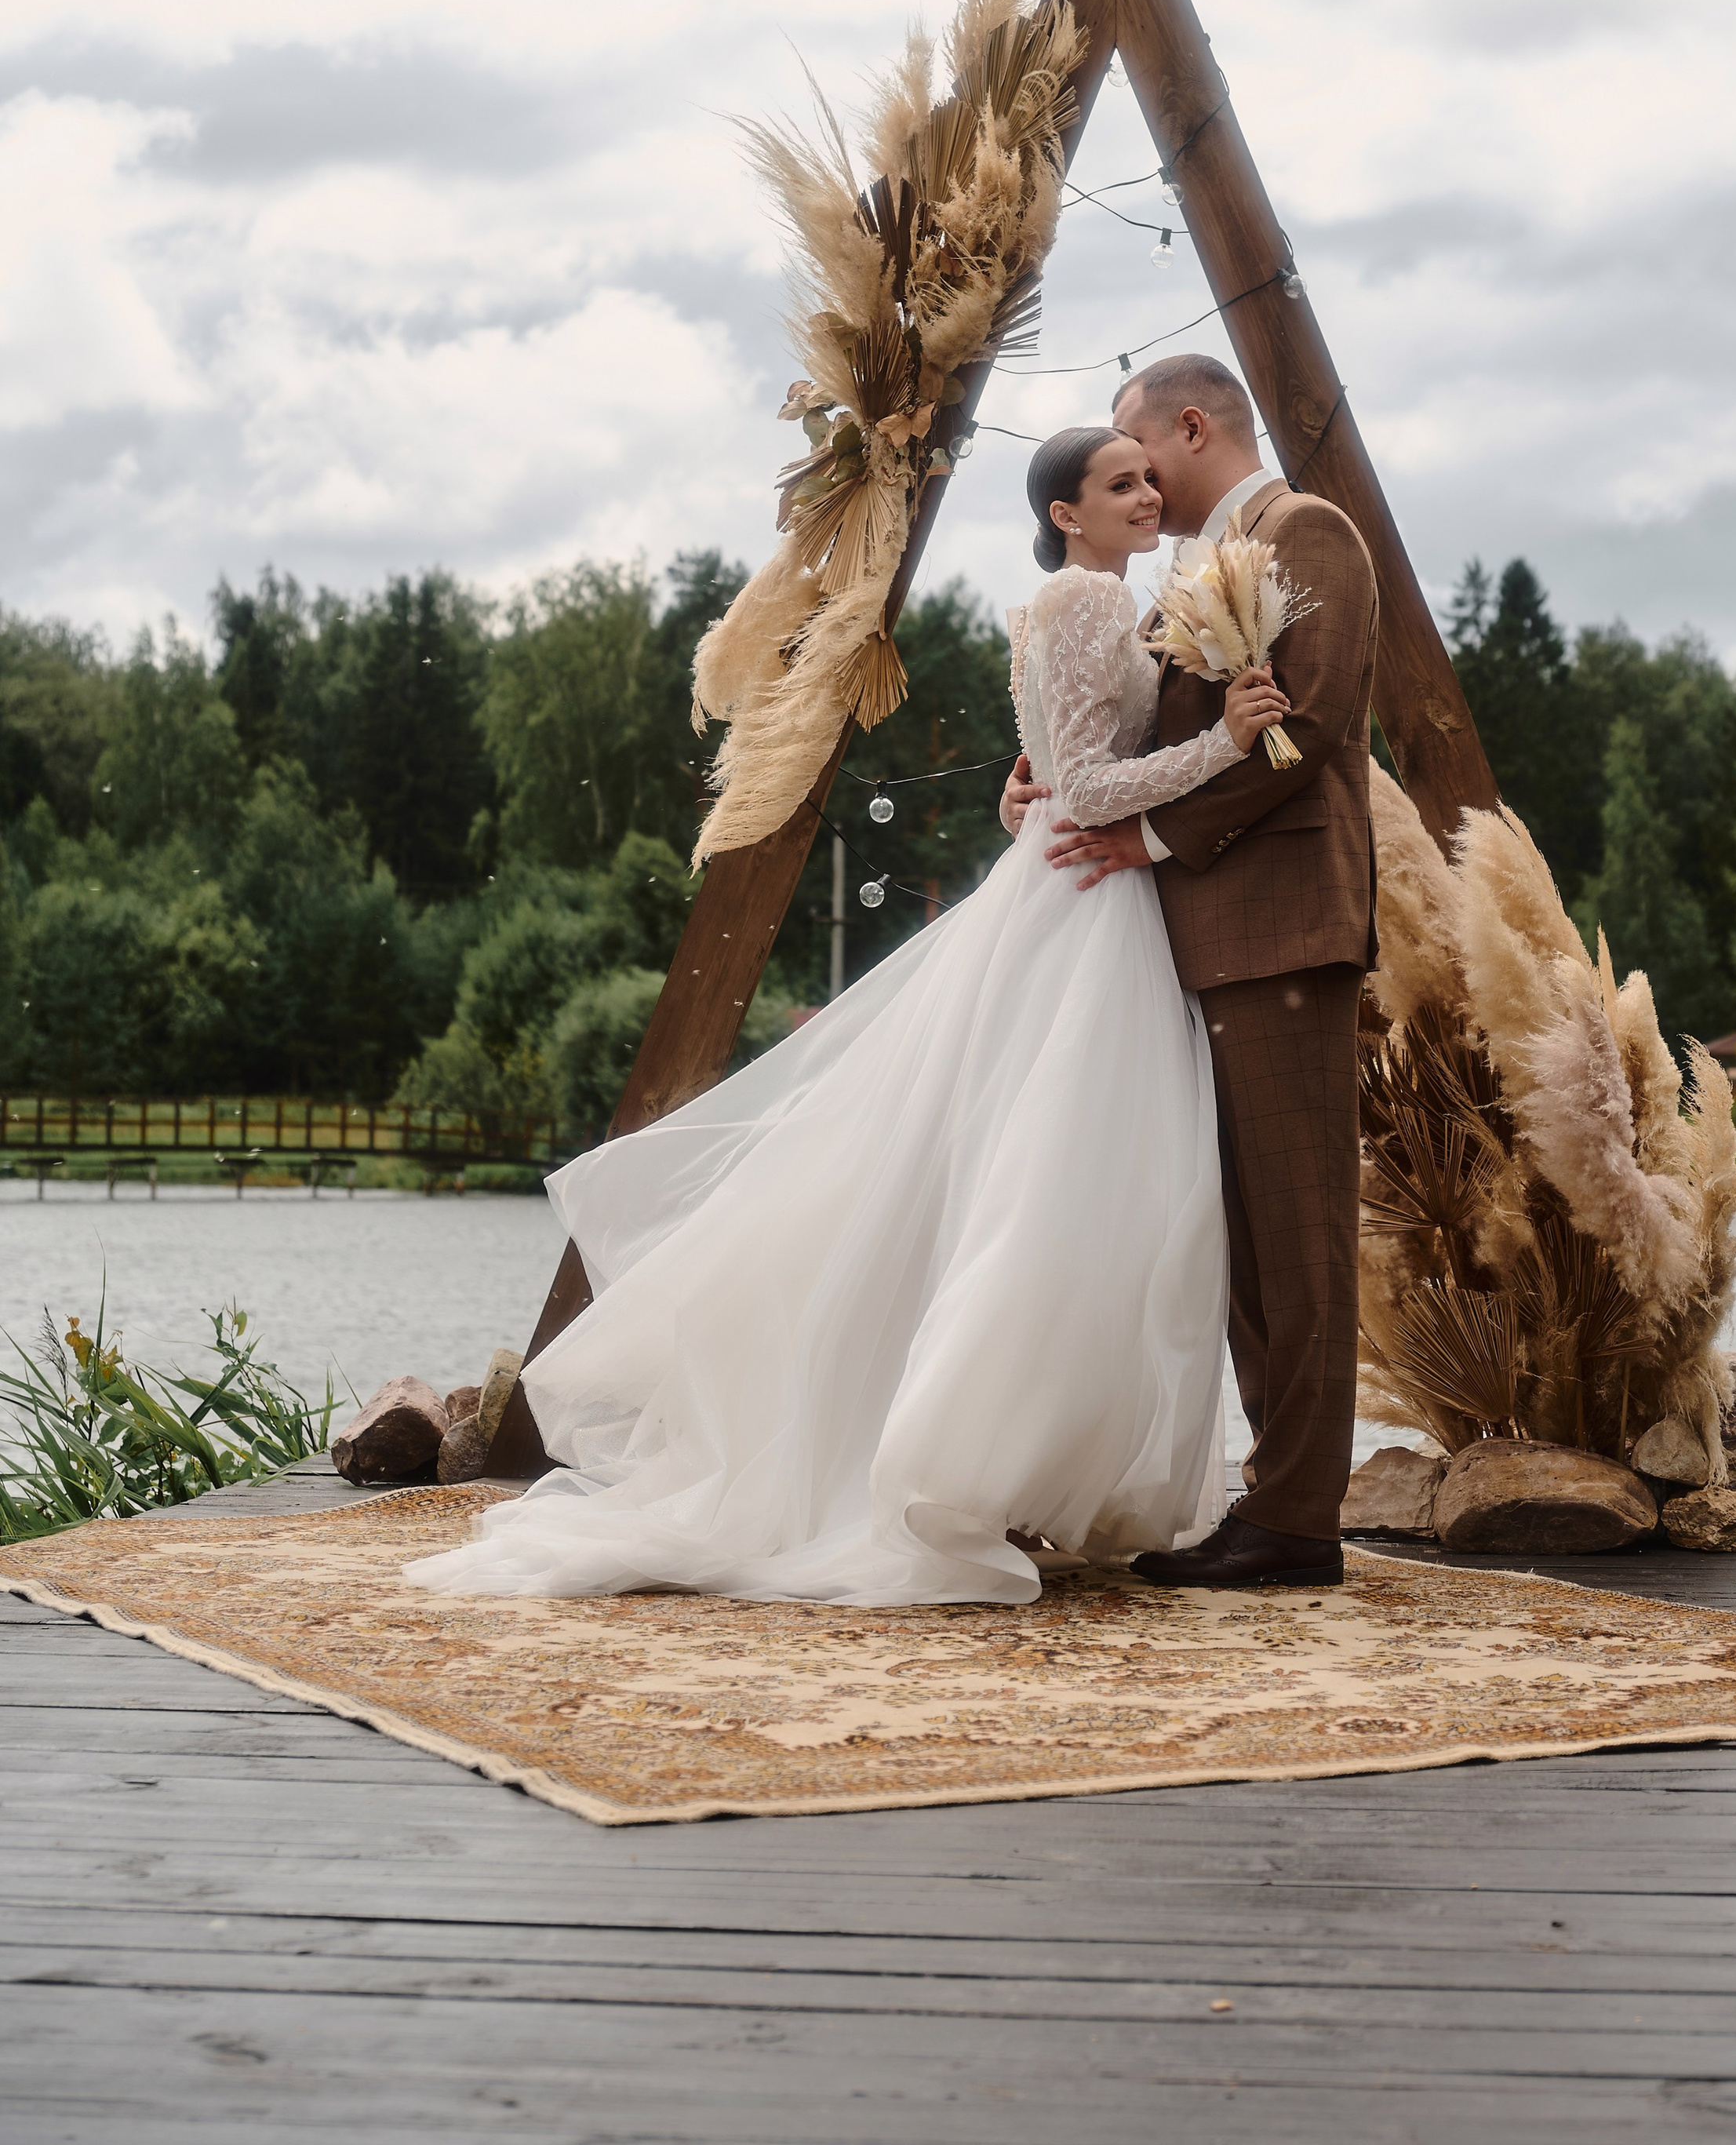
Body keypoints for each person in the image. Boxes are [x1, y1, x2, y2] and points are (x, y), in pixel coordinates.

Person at [404, 423, 1290, 1608]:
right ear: (1068, 515)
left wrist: (1039, 784)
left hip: (1074, 904)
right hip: (1086, 910)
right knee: (1058, 1191)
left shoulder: (1096, 609)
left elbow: (1048, 771)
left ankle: (1011, 1465)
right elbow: (1083, 791)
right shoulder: (1082, 602)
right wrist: (1228, 743)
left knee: (1039, 1187)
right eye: (1119, 483)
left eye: (1147, 478)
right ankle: (971, 1469)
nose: (1146, 494)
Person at [1001, 353, 1379, 1593]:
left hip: (1279, 929)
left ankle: (1297, 1519)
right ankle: (1273, 1501)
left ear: (1191, 426)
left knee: (1299, 1234)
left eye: (1132, 447)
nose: (1133, 476)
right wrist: (1050, 784)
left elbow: (1303, 728)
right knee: (1246, 1243)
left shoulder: (1301, 532)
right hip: (1192, 940)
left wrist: (1150, 837)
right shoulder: (1179, 573)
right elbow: (1139, 736)